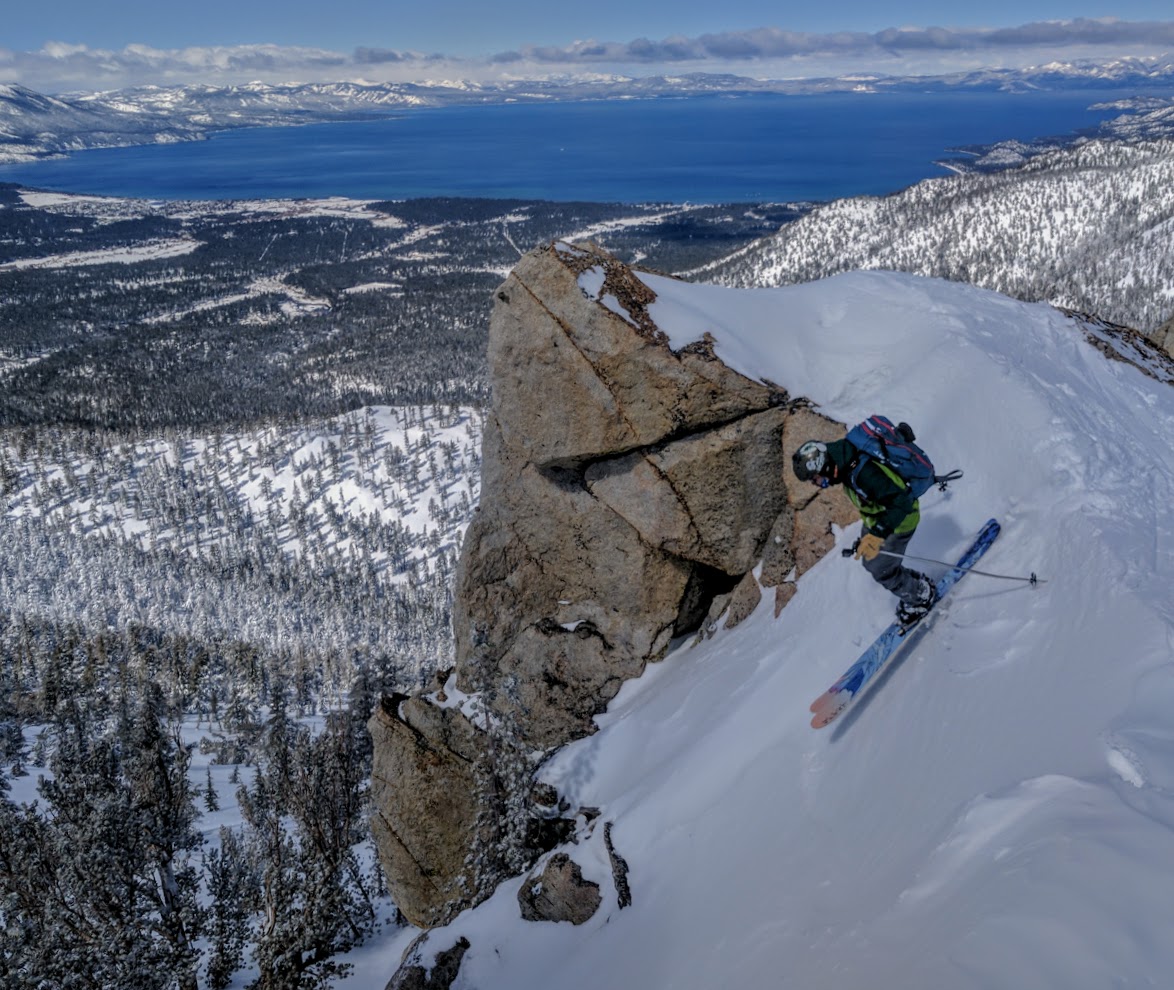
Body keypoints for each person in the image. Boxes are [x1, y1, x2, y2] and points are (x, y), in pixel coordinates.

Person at [792, 435, 937, 625]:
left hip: (900, 521)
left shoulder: (864, 474)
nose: (816, 484)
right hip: (880, 518)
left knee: (880, 569)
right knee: (871, 560)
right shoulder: (846, 461)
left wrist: (877, 534)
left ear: (825, 467)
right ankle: (915, 583)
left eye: (815, 478)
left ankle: (921, 596)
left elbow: (901, 504)